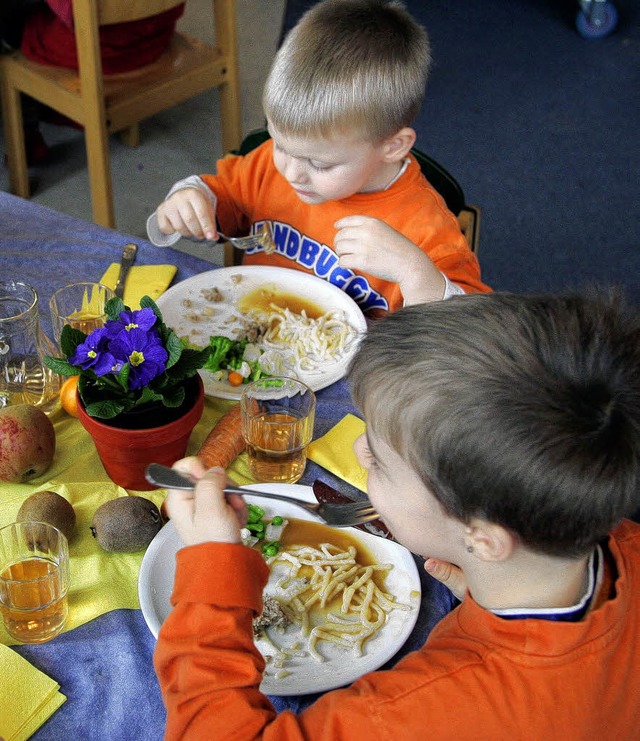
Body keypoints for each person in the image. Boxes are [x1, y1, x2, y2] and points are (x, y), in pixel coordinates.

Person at [155, 290, 640, 739]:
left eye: (382, 463)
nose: (360, 450)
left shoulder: (410, 712)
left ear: (486, 538)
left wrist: (211, 565)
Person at [147, 0, 490, 314]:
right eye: (280, 144)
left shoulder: (425, 228)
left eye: (320, 164)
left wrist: (415, 272)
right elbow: (220, 196)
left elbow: (476, 337)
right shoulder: (269, 165)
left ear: (393, 146)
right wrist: (188, 200)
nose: (291, 172)